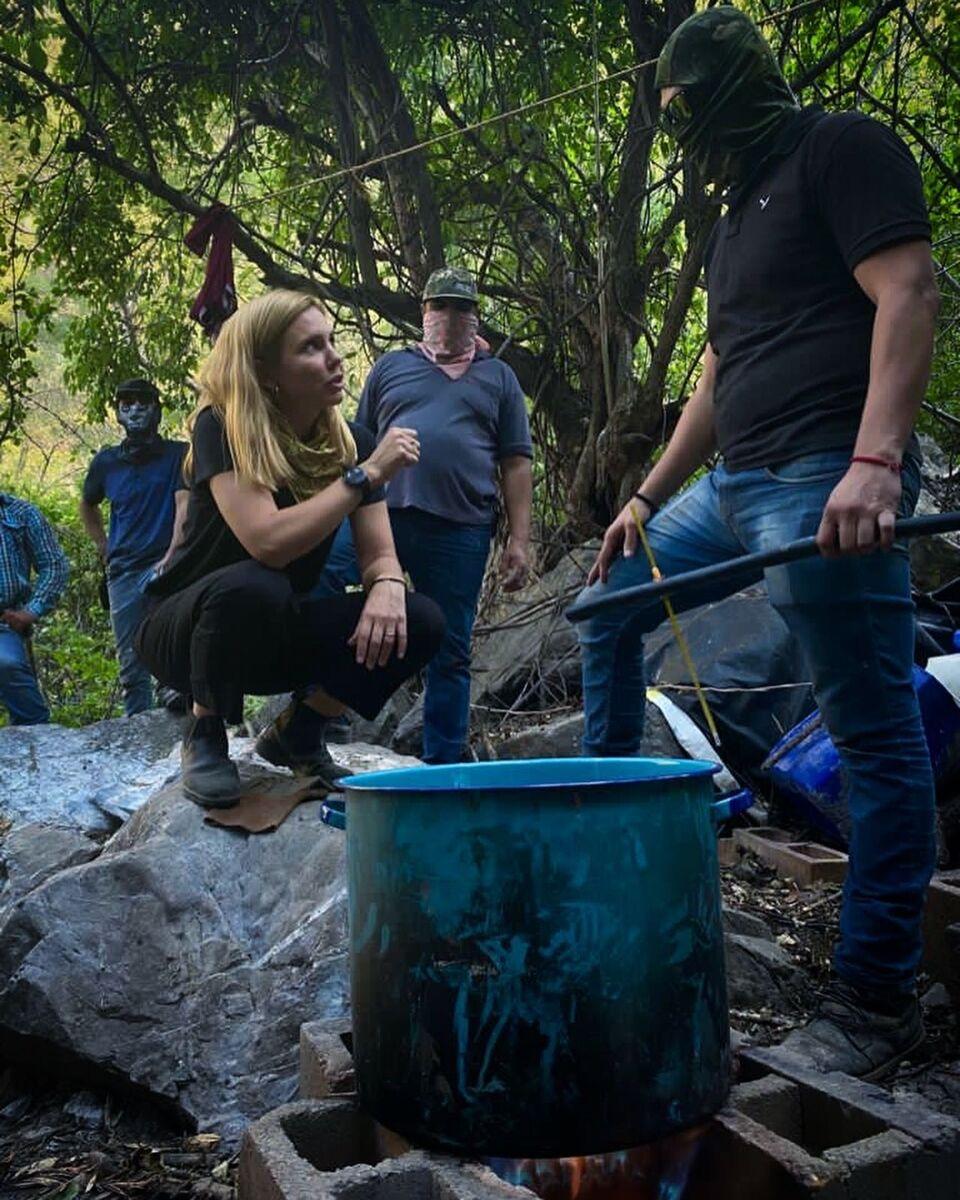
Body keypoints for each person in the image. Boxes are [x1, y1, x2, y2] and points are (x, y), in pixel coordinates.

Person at [574, 6, 939, 1080]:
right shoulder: (733, 217)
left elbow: (908, 290)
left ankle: (875, 1000)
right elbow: (717, 378)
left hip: (825, 475)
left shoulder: (843, 149)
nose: (683, 134)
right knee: (603, 605)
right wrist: (643, 495)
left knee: (872, 731)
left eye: (689, 109)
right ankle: (614, 832)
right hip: (732, 485)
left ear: (732, 86)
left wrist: (875, 461)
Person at [134, 289, 445, 808]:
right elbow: (268, 542)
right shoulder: (224, 427)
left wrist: (387, 585)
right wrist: (364, 476)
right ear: (266, 370)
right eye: (310, 348)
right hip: (185, 633)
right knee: (256, 580)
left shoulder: (351, 441)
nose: (334, 358)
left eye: (331, 341)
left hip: (273, 624)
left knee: (422, 619)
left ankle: (298, 732)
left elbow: (379, 554)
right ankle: (204, 733)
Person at [320, 266, 533, 763]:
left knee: (451, 648)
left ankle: (443, 766)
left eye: (461, 307)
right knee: (323, 575)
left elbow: (516, 463)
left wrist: (520, 540)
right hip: (380, 519)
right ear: (423, 311)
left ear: (475, 317)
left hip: (460, 529)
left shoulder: (498, 378)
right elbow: (354, 444)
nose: (449, 316)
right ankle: (319, 718)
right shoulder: (391, 367)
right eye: (440, 306)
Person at [80, 379, 189, 716]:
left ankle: (182, 739)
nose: (136, 409)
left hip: (165, 564)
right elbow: (88, 504)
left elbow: (185, 504)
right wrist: (103, 545)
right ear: (117, 412)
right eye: (126, 402)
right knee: (131, 663)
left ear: (157, 409)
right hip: (123, 569)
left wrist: (174, 553)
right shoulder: (106, 462)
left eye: (143, 401)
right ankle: (136, 730)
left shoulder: (178, 455)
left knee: (171, 655)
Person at [0, 491, 69, 725]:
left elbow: (54, 565)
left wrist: (32, 609)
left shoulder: (21, 514)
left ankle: (36, 740)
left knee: (7, 664)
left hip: (4, 621)